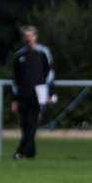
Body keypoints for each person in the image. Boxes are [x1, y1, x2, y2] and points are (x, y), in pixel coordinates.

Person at [9, 25, 56, 161]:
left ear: (35, 36)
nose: (28, 39)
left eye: (31, 36)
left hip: (39, 93)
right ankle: (31, 152)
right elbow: (15, 79)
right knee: (25, 124)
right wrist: (14, 98)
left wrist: (49, 93)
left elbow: (50, 74)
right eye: (26, 36)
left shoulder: (43, 53)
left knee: (33, 123)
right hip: (24, 94)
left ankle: (20, 152)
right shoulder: (19, 55)